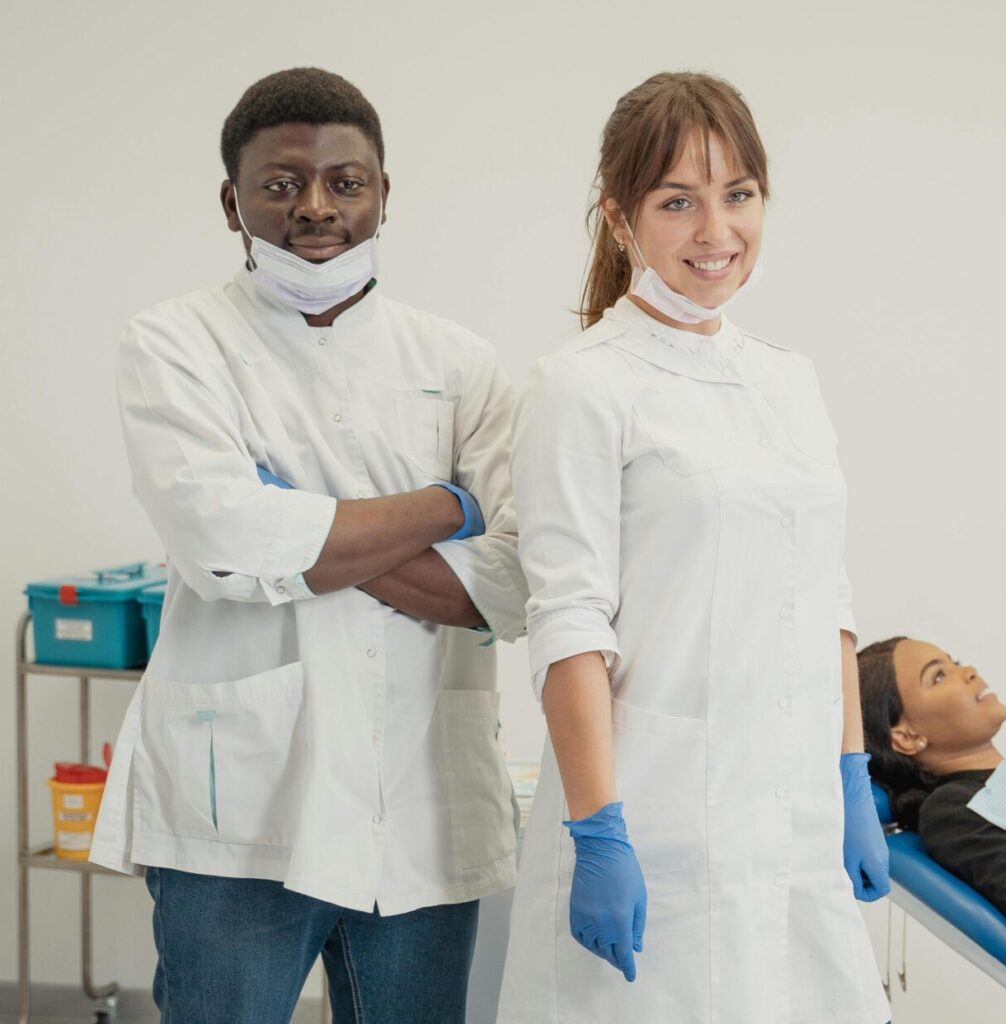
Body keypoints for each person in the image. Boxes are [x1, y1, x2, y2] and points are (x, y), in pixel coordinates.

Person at [89, 67, 528, 1024]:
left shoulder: (460, 363)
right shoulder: (175, 342)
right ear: (231, 200)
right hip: (240, 810)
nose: (316, 208)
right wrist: (449, 506)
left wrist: (308, 533)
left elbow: (513, 583)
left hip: (421, 801)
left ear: (383, 191)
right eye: (281, 184)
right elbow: (224, 541)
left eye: (346, 180)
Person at [497, 71, 891, 1023]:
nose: (717, 232)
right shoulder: (581, 385)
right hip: (655, 821)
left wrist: (848, 773)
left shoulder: (787, 380)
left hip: (791, 818)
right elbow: (568, 623)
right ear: (621, 218)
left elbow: (828, 595)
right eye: (679, 201)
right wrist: (599, 831)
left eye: (739, 195)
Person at [860, 636, 1006, 914]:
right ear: (907, 736)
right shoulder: (951, 810)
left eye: (956, 663)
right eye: (939, 676)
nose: (969, 671)